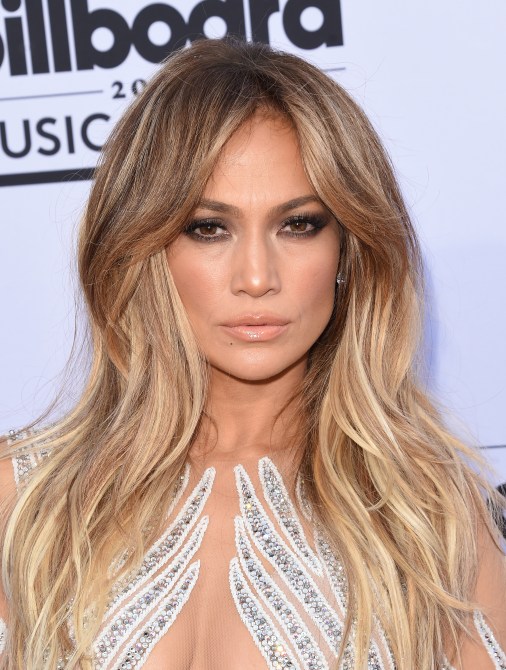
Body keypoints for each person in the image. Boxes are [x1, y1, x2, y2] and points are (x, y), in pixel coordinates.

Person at [0, 37, 504, 670]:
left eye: (299, 225)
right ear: (145, 250)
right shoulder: (26, 500)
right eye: (208, 228)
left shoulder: (429, 515)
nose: (258, 277)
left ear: (349, 249)